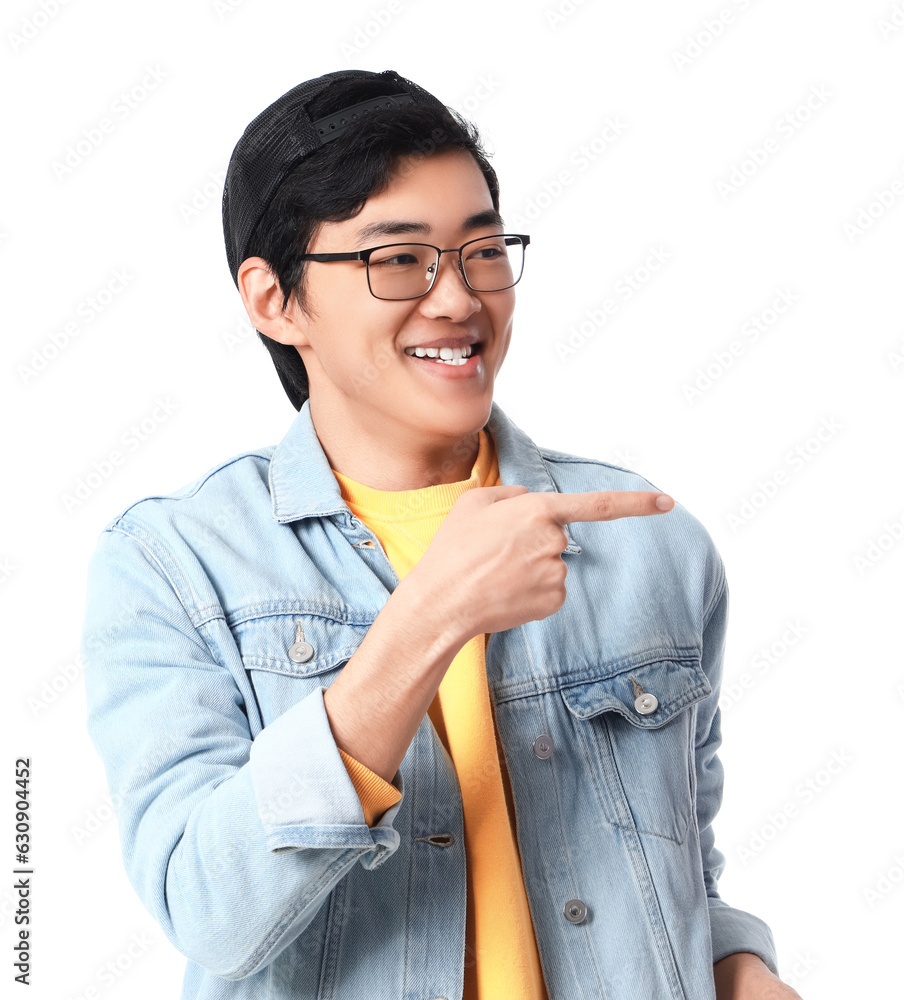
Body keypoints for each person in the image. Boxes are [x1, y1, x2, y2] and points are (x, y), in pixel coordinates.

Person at [82, 68, 802, 1000]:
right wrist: (428, 622)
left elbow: (678, 868)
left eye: (482, 250)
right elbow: (210, 909)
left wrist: (740, 968)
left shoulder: (648, 543)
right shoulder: (176, 566)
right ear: (275, 299)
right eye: (397, 260)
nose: (458, 299)